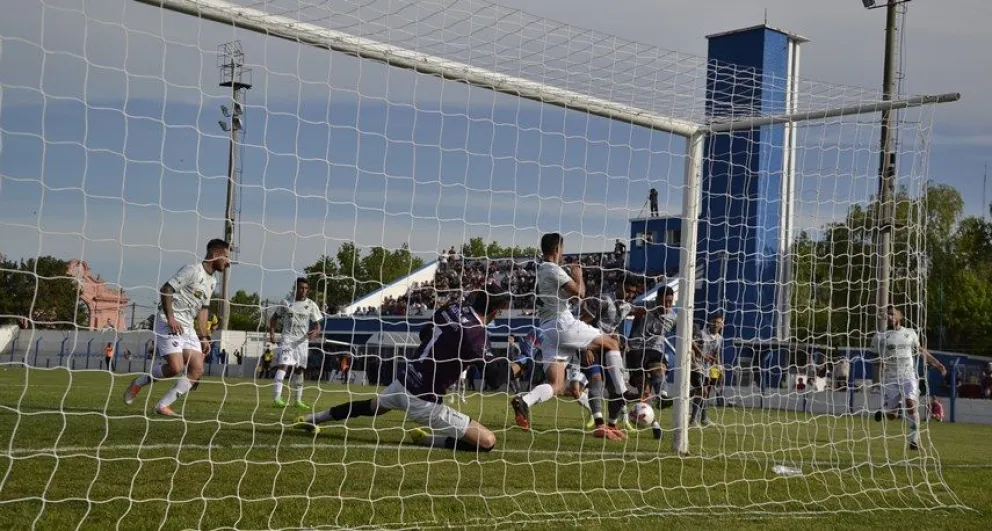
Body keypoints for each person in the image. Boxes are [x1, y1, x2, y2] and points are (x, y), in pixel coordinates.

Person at [296, 289, 511, 453]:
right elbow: (495, 378)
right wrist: (517, 365)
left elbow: (425, 332)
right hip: (423, 401)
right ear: (496, 311)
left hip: (405, 380)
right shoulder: (476, 335)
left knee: (372, 406)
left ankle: (313, 418)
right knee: (487, 442)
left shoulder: (451, 308)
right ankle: (428, 440)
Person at [510, 233, 639, 432]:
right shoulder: (553, 269)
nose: (563, 253)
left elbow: (563, 295)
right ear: (556, 249)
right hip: (562, 323)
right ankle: (623, 391)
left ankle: (524, 401)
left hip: (547, 329)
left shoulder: (540, 271)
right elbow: (580, 292)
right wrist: (578, 276)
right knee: (612, 343)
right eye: (562, 248)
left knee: (557, 385)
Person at [123, 238, 230, 417]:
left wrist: (203, 336)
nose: (228, 263)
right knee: (175, 368)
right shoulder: (192, 270)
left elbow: (203, 309)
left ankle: (162, 405)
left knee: (197, 369)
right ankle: (138, 383)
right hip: (168, 320)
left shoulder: (212, 281)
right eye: (226, 257)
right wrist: (171, 318)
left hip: (187, 326)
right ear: (215, 254)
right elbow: (166, 289)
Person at [872, 305, 947, 450]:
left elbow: (921, 351)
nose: (889, 317)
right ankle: (889, 409)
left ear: (900, 316)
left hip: (908, 376)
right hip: (890, 378)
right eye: (887, 314)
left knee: (910, 403)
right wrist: (879, 363)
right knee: (892, 416)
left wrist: (938, 364)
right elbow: (873, 358)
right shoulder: (879, 337)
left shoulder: (910, 333)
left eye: (892, 314)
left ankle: (914, 440)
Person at [268, 277, 324, 409]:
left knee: (299, 369)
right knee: (284, 365)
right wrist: (271, 333)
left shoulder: (311, 304)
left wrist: (315, 332)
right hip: (288, 338)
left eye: (306, 288)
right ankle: (277, 398)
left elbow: (318, 325)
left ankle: (297, 400)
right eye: (301, 288)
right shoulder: (286, 302)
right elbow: (274, 318)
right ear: (296, 289)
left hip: (302, 341)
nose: (303, 291)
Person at [691, 312, 724, 427]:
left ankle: (704, 418)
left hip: (706, 368)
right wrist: (699, 356)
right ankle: (693, 419)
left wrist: (719, 367)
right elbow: (692, 344)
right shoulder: (702, 334)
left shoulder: (720, 339)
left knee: (705, 393)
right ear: (710, 322)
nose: (715, 324)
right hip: (695, 366)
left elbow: (716, 353)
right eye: (714, 321)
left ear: (722, 325)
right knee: (703, 391)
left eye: (718, 322)